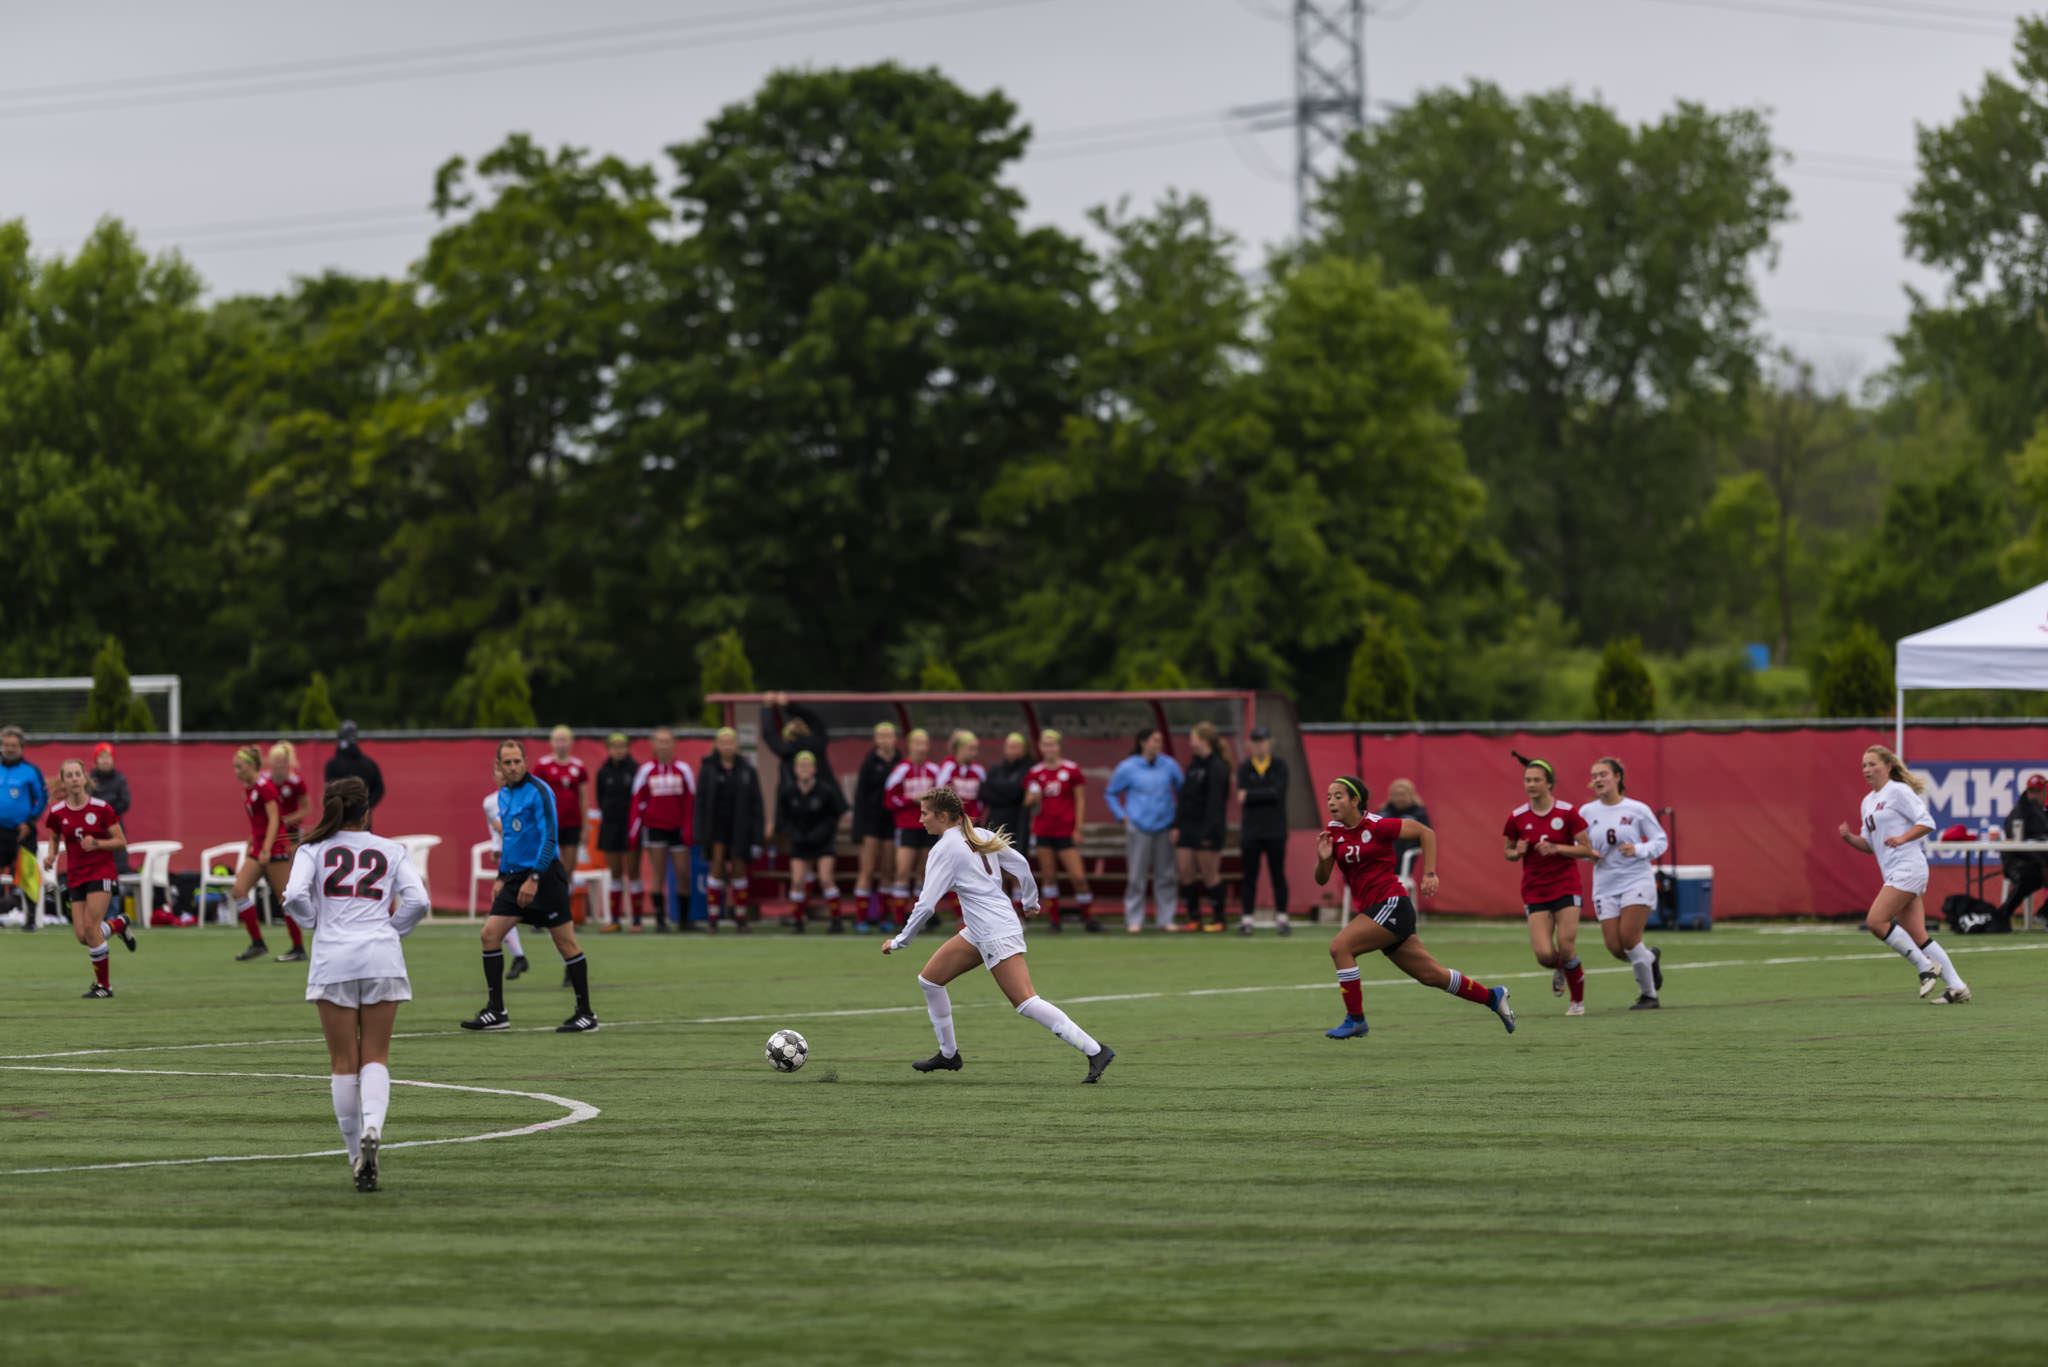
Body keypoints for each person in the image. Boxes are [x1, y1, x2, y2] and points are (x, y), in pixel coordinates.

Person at [882, 785, 1117, 1083]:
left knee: (1025, 1001)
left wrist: (901, 940)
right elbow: (1021, 864)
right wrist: (1030, 901)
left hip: (994, 931)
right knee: (930, 980)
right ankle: (949, 1054)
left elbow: (926, 905)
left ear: (943, 815)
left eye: (925, 813)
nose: (920, 819)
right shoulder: (979, 834)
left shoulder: (944, 849)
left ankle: (1095, 1050)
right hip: (983, 929)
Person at [283, 776, 431, 1193]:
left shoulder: (311, 849)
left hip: (334, 960)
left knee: (343, 1062)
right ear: (366, 811)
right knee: (376, 1057)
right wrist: (391, 929)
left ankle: (356, 1156)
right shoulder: (391, 849)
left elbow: (293, 896)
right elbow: (419, 901)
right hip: (382, 956)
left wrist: (314, 922)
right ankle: (373, 1126)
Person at [1316, 776, 1515, 1040]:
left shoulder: (1378, 825)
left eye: (1338, 796)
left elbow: (1425, 832)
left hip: (1391, 905)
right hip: (1376, 911)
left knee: (1340, 947)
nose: (1331, 801)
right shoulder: (1334, 833)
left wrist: (1430, 873)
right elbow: (1321, 878)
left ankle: (1356, 1019)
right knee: (1431, 975)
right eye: (1329, 796)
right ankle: (1492, 997)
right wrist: (1323, 859)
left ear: (1355, 800)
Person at [462, 738, 598, 1033]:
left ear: (525, 762)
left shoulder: (540, 791)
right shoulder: (503, 796)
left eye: (517, 761)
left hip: (545, 876)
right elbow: (509, 841)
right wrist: (501, 876)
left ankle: (586, 1014)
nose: (513, 767)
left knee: (565, 943)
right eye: (507, 762)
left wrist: (535, 878)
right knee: (489, 935)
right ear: (498, 766)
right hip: (513, 878)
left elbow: (550, 839)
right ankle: (497, 1011)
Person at [1838, 745, 1970, 1004]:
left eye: (1873, 763)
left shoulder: (1897, 791)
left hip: (1909, 867)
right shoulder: (1867, 801)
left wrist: (1903, 837)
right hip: (1894, 872)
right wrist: (1849, 838)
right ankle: (1957, 986)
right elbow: (1870, 845)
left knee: (1876, 921)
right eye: (1864, 765)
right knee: (1919, 936)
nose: (1867, 769)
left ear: (1888, 766)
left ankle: (1926, 967)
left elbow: (1927, 822)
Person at [1502, 757, 1591, 1015]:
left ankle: (1577, 1002)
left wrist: (1557, 848)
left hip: (1566, 885)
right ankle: (1561, 968)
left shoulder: (1567, 812)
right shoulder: (1517, 817)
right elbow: (1507, 851)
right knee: (1543, 955)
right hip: (1534, 889)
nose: (1531, 784)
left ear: (1549, 783)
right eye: (1527, 780)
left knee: (1566, 944)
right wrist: (1515, 852)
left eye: (1536, 779)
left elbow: (1586, 849)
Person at [1579, 758, 1668, 1011]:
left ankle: (1649, 996)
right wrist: (1587, 853)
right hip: (1605, 885)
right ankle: (1650, 958)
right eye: (1594, 775)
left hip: (1636, 880)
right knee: (1616, 948)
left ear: (1618, 777)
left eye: (1603, 774)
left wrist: (1638, 848)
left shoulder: (1637, 809)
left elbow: (1660, 841)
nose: (1598, 779)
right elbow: (1579, 846)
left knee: (1630, 938)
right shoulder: (1586, 812)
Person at [41, 758, 133, 997]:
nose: (73, 779)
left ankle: (104, 986)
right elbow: (54, 836)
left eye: (77, 774)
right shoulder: (57, 812)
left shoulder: (102, 808)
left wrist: (98, 843)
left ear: (85, 778)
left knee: (92, 929)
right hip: (75, 875)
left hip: (101, 872)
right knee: (83, 936)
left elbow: (121, 842)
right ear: (63, 781)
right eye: (69, 775)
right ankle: (119, 924)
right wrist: (51, 856)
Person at [231, 744, 307, 964]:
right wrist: (252, 842)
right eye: (235, 767)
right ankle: (258, 943)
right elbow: (258, 823)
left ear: (252, 765)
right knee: (239, 890)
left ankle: (298, 947)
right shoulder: (248, 788)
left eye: (240, 767)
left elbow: (275, 819)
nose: (237, 771)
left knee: (285, 898)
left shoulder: (265, 787)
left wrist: (266, 847)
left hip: (274, 847)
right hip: (260, 847)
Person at [1105, 727, 1183, 933]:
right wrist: (1122, 815)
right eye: (1154, 740)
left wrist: (1177, 821)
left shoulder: (1170, 765)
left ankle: (1165, 919)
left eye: (1160, 741)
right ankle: (1134, 919)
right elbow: (1111, 793)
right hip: (1138, 827)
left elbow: (1183, 791)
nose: (1158, 745)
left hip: (1165, 826)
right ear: (1143, 742)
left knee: (1166, 874)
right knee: (1136, 875)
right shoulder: (1128, 767)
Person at [1025, 730, 1097, 933]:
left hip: (1065, 831)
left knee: (1079, 877)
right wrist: (1033, 798)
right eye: (1045, 745)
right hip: (1043, 831)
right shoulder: (1035, 772)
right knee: (1049, 876)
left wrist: (1078, 828)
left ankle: (1088, 917)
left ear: (1059, 746)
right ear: (1040, 748)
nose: (1049, 748)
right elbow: (1028, 802)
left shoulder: (1071, 769)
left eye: (1052, 744)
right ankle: (1055, 920)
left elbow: (1080, 800)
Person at [696, 727, 764, 933]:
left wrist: (757, 837)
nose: (727, 746)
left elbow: (756, 805)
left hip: (740, 829)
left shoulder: (747, 770)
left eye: (730, 742)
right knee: (716, 869)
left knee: (738, 871)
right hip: (715, 829)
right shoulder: (708, 769)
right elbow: (700, 802)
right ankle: (714, 918)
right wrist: (699, 832)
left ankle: (741, 918)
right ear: (717, 745)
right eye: (723, 742)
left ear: (736, 745)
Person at [628, 726, 695, 932]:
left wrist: (688, 829)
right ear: (654, 745)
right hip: (655, 828)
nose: (664, 745)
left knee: (683, 873)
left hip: (678, 829)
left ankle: (684, 920)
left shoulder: (683, 769)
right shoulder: (646, 770)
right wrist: (634, 831)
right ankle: (660, 919)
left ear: (674, 744)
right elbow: (637, 802)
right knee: (658, 874)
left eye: (667, 741)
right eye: (660, 741)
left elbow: (691, 801)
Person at [778, 751, 849, 933]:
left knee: (825, 878)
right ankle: (798, 921)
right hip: (800, 842)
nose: (804, 769)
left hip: (823, 841)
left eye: (807, 765)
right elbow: (783, 819)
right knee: (798, 881)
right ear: (794, 770)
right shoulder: (788, 792)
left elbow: (834, 816)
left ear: (814, 769)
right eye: (800, 766)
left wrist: (819, 833)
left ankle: (836, 921)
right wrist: (795, 834)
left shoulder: (825, 790)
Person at [1174, 721, 1233, 932]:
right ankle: (1194, 917)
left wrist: (1208, 831)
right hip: (1188, 827)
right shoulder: (1194, 764)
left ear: (1204, 740)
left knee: (1210, 875)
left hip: (1208, 828)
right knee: (1185, 872)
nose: (1191, 742)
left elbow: (1215, 803)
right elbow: (1184, 798)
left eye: (1193, 737)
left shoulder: (1218, 766)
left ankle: (1219, 918)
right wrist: (1177, 825)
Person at [883, 729, 943, 930]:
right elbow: (890, 800)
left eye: (924, 744)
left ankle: (919, 920)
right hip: (907, 826)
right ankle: (898, 918)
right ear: (909, 746)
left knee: (923, 874)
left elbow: (943, 797)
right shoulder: (901, 769)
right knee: (902, 872)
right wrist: (912, 800)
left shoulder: (934, 770)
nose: (921, 748)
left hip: (928, 828)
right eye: (917, 743)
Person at [479, 755, 532, 980]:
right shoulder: (491, 802)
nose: (503, 774)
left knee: (550, 918)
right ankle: (519, 957)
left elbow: (518, 830)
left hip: (529, 863)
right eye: (499, 770)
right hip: (509, 863)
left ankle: (569, 962)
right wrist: (497, 848)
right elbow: (497, 830)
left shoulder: (527, 797)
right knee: (501, 909)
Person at [1235, 726, 1289, 936]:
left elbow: (1277, 793)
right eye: (1256, 741)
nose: (1259, 745)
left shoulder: (1279, 765)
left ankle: (1282, 918)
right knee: (1249, 876)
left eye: (1263, 741)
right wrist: (1262, 793)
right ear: (1250, 744)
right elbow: (1241, 795)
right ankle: (1247, 919)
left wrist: (1251, 794)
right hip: (1251, 831)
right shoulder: (1244, 767)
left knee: (1278, 875)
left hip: (1275, 830)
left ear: (1269, 743)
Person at [850, 722, 903, 933]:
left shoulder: (901, 762)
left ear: (895, 738)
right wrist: (858, 828)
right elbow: (860, 796)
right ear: (875, 739)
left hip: (892, 821)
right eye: (881, 736)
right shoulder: (869, 762)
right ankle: (861, 918)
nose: (885, 740)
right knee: (868, 869)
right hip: (871, 822)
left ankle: (885, 917)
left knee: (888, 870)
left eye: (888, 735)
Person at [531, 725, 591, 889]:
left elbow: (584, 798)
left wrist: (586, 826)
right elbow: (536, 795)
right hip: (549, 824)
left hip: (572, 823)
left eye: (564, 740)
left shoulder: (578, 766)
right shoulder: (542, 765)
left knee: (569, 866)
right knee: (549, 863)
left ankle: (566, 900)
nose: (561, 744)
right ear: (551, 742)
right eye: (557, 740)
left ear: (571, 742)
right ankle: (550, 903)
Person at [594, 732, 640, 931]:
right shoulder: (603, 772)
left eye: (622, 746)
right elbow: (600, 797)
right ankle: (614, 920)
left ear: (627, 748)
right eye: (615, 746)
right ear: (609, 748)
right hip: (610, 827)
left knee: (633, 872)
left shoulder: (637, 770)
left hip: (631, 828)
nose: (618, 750)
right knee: (615, 873)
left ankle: (637, 921)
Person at [0, 727, 48, 920]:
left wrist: (29, 821)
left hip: (22, 831)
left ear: (21, 747)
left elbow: (42, 798)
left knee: (27, 873)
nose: (9, 749)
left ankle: (30, 919)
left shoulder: (30, 771)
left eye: (14, 745)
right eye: (6, 745)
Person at [1996, 774, 2048, 923]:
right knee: (2031, 877)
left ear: (2045, 791)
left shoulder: (2042, 812)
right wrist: (2042, 864)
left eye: (2038, 791)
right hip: (2017, 862)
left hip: (2039, 861)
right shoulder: (2020, 812)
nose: (2034, 795)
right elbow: (2016, 843)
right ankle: (2001, 916)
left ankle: (2044, 913)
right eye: (2032, 791)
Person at [981, 733, 1034, 870]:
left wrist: (998, 788)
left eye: (1016, 747)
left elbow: (1017, 793)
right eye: (1009, 747)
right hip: (995, 824)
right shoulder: (995, 769)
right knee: (995, 869)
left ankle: (1017, 892)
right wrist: (1011, 793)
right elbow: (984, 794)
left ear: (1024, 750)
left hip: (1018, 825)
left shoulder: (1029, 769)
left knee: (1016, 869)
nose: (1011, 750)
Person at [760, 692, 833, 790]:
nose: (796, 724)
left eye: (800, 723)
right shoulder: (816, 744)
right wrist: (790, 706)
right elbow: (814, 720)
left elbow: (769, 734)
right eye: (794, 724)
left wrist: (768, 707)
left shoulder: (789, 749)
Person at [323, 721, 386, 828]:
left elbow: (330, 791)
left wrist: (343, 808)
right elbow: (379, 789)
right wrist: (365, 806)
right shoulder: (369, 764)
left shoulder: (333, 765)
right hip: (363, 820)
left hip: (340, 821)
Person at [1378, 778, 1430, 880]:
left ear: (1411, 795)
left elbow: (1428, 836)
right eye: (1396, 795)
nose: (1399, 798)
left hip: (1402, 858)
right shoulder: (1383, 812)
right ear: (1391, 796)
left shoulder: (1418, 814)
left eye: (1403, 795)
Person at [268, 741, 314, 845]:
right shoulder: (264, 781)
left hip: (292, 831)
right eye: (277, 761)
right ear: (271, 762)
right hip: (269, 829)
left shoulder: (296, 782)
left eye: (283, 761)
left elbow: (306, 809)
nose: (280, 765)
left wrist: (287, 820)